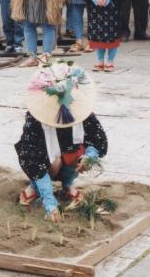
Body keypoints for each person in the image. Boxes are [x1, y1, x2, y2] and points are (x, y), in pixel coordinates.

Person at [15, 62, 107, 221]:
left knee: (74, 154)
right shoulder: (35, 120)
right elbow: (33, 159)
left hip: (71, 155)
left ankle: (68, 184)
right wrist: (49, 201)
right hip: (47, 160)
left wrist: (89, 157)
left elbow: (98, 139)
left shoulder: (83, 113)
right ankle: (36, 186)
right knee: (52, 161)